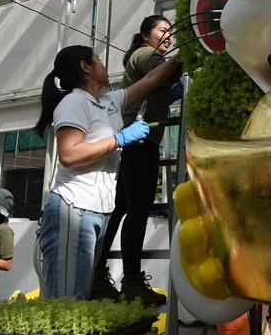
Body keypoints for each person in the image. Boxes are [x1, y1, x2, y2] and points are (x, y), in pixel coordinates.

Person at [34, 44, 180, 300]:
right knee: (67, 300)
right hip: (73, 207)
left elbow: (152, 78)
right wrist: (119, 139)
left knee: (82, 293)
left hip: (99, 209)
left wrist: (183, 53)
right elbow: (69, 155)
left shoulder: (109, 101)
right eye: (98, 59)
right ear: (86, 67)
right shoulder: (74, 103)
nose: (104, 64)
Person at [92, 16, 181, 305]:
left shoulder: (144, 57)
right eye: (162, 30)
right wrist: (189, 56)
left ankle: (97, 277)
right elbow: (161, 73)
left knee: (120, 210)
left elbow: (162, 88)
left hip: (129, 143)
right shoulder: (148, 55)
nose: (168, 35)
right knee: (137, 212)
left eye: (170, 31)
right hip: (141, 143)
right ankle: (131, 282)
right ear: (145, 35)